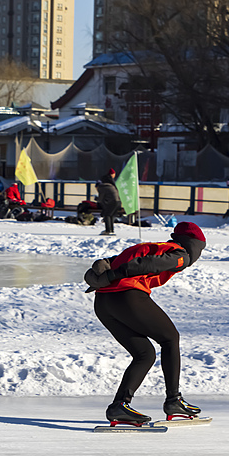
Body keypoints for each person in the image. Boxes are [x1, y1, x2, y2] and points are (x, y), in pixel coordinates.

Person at [84, 222, 207, 426]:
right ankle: (173, 400)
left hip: (103, 303)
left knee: (145, 354)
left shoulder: (153, 247)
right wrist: (115, 275)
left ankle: (119, 406)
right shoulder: (180, 254)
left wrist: (105, 276)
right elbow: (146, 265)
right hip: (126, 296)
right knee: (170, 338)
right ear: (193, 245)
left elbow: (108, 263)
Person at [96, 169, 121, 235]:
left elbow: (101, 198)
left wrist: (96, 199)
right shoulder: (110, 184)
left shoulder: (102, 187)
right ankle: (111, 230)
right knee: (111, 215)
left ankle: (108, 230)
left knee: (107, 215)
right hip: (118, 201)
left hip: (113, 202)